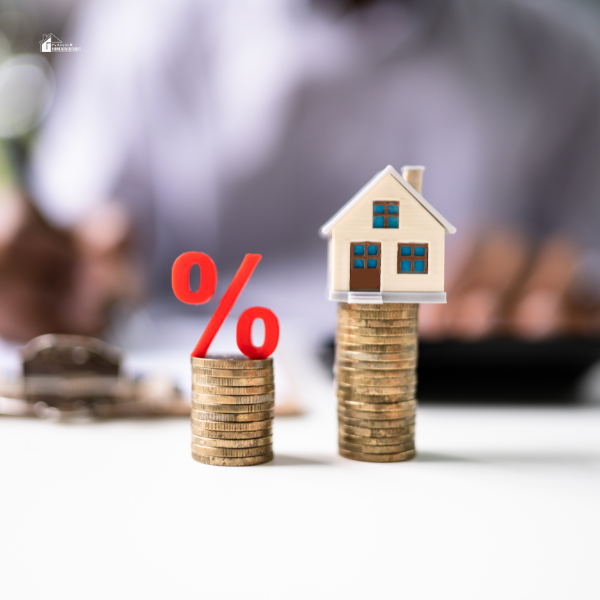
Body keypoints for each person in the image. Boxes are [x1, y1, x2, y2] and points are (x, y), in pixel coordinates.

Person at [2, 0, 600, 342]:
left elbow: (584, 284)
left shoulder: (569, 63)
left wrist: (566, 301)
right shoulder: (142, 27)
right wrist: (63, 276)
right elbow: (80, 247)